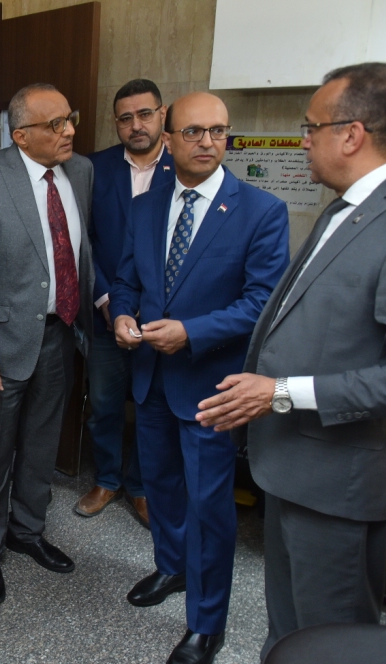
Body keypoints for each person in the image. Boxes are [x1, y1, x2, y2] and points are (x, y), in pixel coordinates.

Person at [195, 62, 386, 660]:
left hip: (340, 480)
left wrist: (281, 392)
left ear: (352, 134)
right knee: (291, 633)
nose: (303, 141)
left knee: (330, 643)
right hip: (295, 463)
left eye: (311, 128)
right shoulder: (351, 204)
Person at [110, 92, 289, 664]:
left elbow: (262, 303)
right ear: (168, 139)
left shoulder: (261, 210)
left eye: (218, 131)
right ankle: (173, 567)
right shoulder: (146, 205)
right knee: (160, 485)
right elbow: (127, 280)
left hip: (212, 385)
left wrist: (191, 332)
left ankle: (206, 623)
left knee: (209, 505)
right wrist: (120, 314)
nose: (208, 142)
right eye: (194, 132)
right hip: (151, 377)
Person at [0, 83, 94, 605]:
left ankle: (27, 531)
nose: (69, 130)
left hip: (60, 335)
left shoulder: (81, 172)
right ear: (20, 135)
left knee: (41, 445)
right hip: (1, 344)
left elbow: (80, 250)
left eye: (69, 118)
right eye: (56, 124)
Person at [80, 78, 175, 525]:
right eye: (125, 118)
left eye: (145, 114)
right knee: (104, 403)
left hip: (162, 318)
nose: (136, 125)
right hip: (105, 314)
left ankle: (140, 486)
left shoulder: (184, 166)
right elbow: (83, 240)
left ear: (162, 114)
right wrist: (105, 298)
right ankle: (107, 478)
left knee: (152, 407)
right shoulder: (93, 168)